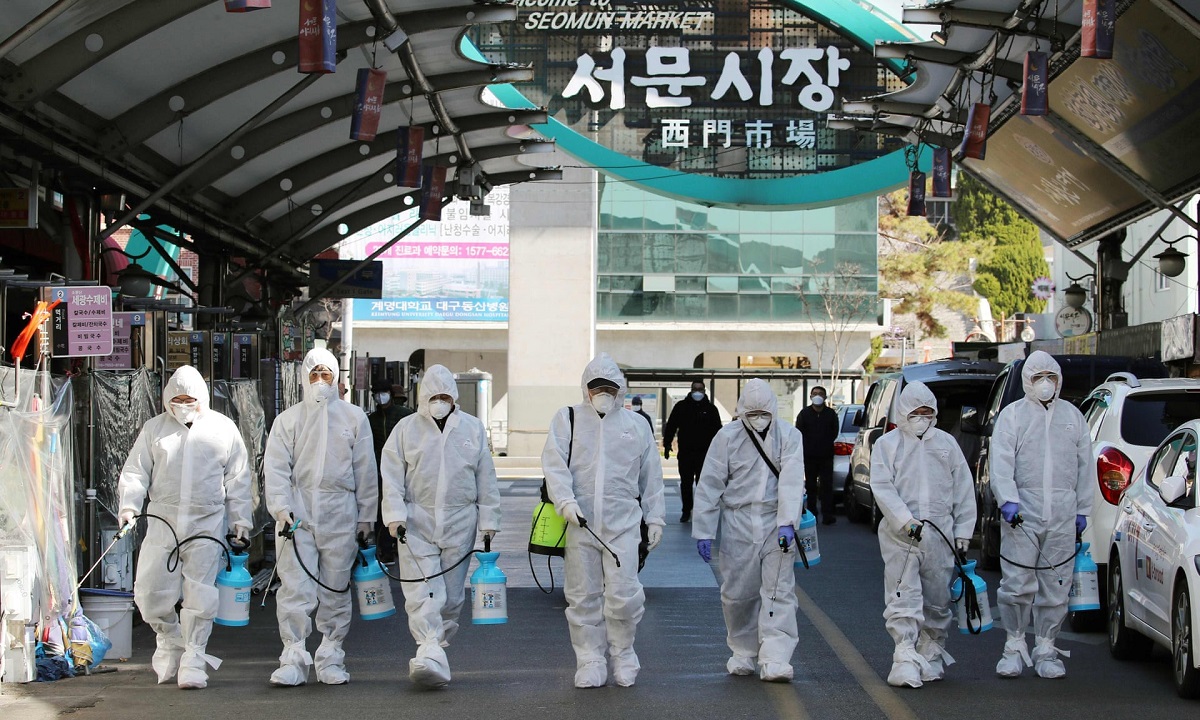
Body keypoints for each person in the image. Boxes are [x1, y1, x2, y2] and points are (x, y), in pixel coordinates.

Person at [117, 365, 252, 689]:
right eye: (176, 399)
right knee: (149, 592)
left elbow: (238, 478)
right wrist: (129, 507)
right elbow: (136, 471)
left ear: (201, 398)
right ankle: (170, 638)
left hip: (206, 522)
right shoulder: (155, 429)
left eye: (189, 399)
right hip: (163, 521)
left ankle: (194, 656)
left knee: (200, 593)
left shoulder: (222, 429)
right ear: (167, 399)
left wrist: (240, 520)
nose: (182, 405)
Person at [542, 353, 666, 688]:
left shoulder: (635, 426)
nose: (603, 394)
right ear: (586, 388)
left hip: (623, 524)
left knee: (624, 594)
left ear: (620, 390)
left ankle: (623, 654)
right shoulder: (567, 419)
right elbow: (554, 464)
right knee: (583, 596)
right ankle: (590, 660)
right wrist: (565, 502)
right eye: (597, 388)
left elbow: (651, 475)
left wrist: (655, 518)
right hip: (580, 524)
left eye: (609, 388)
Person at [381, 365, 501, 687]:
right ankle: (427, 647)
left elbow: (485, 477)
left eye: (445, 396)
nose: (439, 402)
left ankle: (437, 648)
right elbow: (391, 475)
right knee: (421, 590)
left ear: (454, 397)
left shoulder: (472, 429)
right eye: (434, 397)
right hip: (416, 521)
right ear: (423, 398)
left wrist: (489, 520)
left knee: (451, 596)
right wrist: (395, 515)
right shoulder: (406, 429)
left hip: (460, 522)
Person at [264, 348, 377, 687]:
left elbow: (365, 470)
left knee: (335, 587)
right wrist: (281, 508)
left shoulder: (354, 418)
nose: (319, 380)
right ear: (304, 378)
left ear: (336, 377)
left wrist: (366, 518)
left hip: (340, 513)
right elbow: (276, 468)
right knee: (295, 587)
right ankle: (293, 658)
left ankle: (331, 656)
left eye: (325, 374)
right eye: (314, 374)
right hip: (297, 515)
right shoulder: (288, 420)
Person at [693, 379, 805, 682]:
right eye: (752, 413)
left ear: (773, 411)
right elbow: (710, 483)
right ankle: (743, 650)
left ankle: (775, 657)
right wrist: (704, 530)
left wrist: (787, 521)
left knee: (779, 592)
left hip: (775, 523)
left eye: (763, 413)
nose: (758, 419)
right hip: (738, 522)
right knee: (737, 594)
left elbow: (793, 480)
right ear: (742, 412)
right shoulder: (727, 437)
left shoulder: (789, 436)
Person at [990, 351, 1090, 679]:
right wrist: (1008, 500)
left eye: (1051, 377)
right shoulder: (1013, 416)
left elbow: (1084, 466)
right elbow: (1001, 461)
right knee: (1017, 584)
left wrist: (1082, 509)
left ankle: (1046, 649)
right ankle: (1014, 646)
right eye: (1038, 377)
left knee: (1056, 585)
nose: (1046, 383)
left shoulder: (1073, 417)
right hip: (1022, 515)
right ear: (1027, 381)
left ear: (1059, 380)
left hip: (1062, 516)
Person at [869, 382, 976, 688]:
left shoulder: (946, 444)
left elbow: (963, 488)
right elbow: (882, 486)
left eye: (927, 412)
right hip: (901, 536)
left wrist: (964, 531)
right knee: (903, 595)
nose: (922, 418)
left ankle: (931, 651)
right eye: (916, 412)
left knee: (937, 598)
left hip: (940, 535)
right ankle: (904, 655)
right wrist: (905, 520)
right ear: (904, 412)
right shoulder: (888, 445)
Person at [663, 379, 722, 522]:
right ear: (691, 390)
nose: (697, 392)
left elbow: (718, 432)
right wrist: (667, 444)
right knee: (686, 483)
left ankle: (703, 510)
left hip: (705, 454)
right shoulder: (681, 407)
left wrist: (720, 452)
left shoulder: (711, 409)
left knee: (703, 484)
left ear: (704, 391)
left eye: (700, 389)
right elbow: (671, 426)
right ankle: (686, 510)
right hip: (686, 453)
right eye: (695, 389)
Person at [369, 378, 414, 561]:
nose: (381, 397)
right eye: (377, 394)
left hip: (405, 467)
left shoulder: (405, 416)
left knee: (405, 503)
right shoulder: (371, 420)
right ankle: (386, 548)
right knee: (383, 508)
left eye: (384, 393)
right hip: (379, 470)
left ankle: (404, 543)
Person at [795, 385, 839, 525]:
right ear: (810, 396)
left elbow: (834, 432)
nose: (817, 396)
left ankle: (827, 515)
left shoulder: (831, 414)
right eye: (815, 393)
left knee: (827, 486)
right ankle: (812, 513)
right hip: (809, 456)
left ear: (825, 397)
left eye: (820, 393)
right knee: (811, 486)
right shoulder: (804, 414)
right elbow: (799, 432)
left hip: (826, 455)